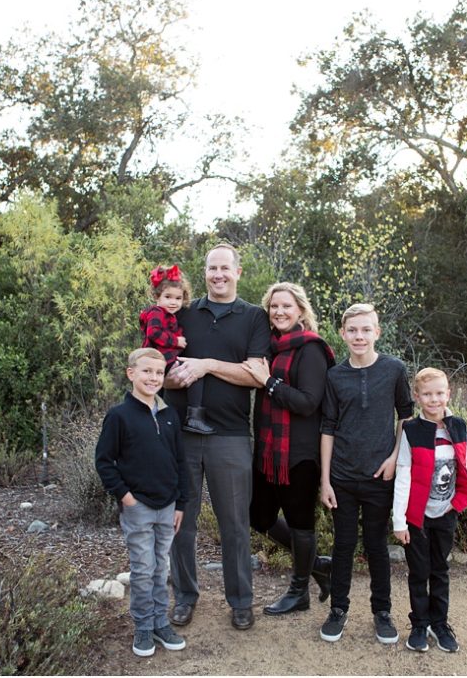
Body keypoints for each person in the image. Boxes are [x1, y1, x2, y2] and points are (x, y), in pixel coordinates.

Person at [164, 243, 271, 631]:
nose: (218, 274)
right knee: (181, 522)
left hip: (230, 435)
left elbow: (257, 373)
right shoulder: (184, 314)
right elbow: (154, 362)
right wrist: (169, 376)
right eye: (212, 268)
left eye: (225, 268)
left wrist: (207, 365)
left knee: (234, 525)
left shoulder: (254, 317)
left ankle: (241, 601)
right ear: (205, 272)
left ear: (238, 273)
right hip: (182, 436)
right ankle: (185, 597)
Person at [318, 303, 413, 644]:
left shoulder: (393, 370)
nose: (359, 336)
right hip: (342, 477)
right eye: (353, 330)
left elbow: (406, 416)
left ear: (377, 332)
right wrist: (325, 480)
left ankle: (382, 612)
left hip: (380, 476)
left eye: (366, 329)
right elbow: (327, 427)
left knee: (376, 546)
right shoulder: (335, 376)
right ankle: (338, 609)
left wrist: (394, 458)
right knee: (343, 545)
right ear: (343, 334)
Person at [244, 282, 336, 615]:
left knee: (300, 523)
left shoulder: (311, 349)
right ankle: (316, 566)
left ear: (300, 310)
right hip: (269, 452)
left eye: (286, 306)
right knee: (259, 516)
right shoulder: (269, 348)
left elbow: (309, 402)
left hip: (300, 455)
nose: (279, 312)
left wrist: (269, 383)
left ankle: (299, 592)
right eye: (274, 307)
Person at [94, 348, 191, 658]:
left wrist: (181, 503)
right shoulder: (119, 415)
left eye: (159, 373)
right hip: (139, 506)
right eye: (146, 371)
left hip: (168, 505)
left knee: (161, 567)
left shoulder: (169, 414)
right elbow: (104, 461)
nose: (153, 378)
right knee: (143, 567)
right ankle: (143, 627)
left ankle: (161, 622)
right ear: (131, 373)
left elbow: (180, 461)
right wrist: (126, 497)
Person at [392, 367, 467, 653]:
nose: (434, 399)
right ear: (417, 397)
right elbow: (403, 475)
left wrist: (456, 503)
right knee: (419, 571)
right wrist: (399, 521)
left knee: (440, 570)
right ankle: (419, 624)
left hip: (446, 512)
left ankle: (439, 623)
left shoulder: (459, 426)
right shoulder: (412, 431)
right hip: (418, 516)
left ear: (448, 394)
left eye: (440, 393)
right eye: (427, 394)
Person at [139, 264, 213, 434]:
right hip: (158, 359)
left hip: (160, 359)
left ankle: (158, 417)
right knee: (193, 371)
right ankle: (194, 416)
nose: (173, 302)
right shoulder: (157, 312)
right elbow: (154, 333)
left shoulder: (169, 314)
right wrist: (176, 341)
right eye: (168, 297)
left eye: (178, 298)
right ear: (157, 296)